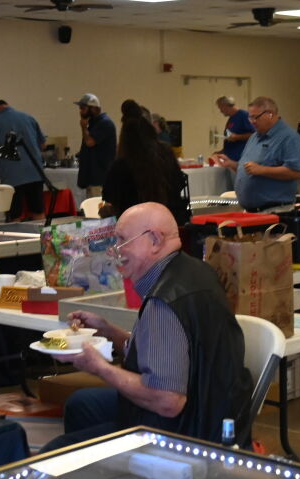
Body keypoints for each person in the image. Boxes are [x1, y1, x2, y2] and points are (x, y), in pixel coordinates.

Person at [49, 203, 249, 448]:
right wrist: (109, 332)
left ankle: (102, 473)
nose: (115, 251)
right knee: (82, 404)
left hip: (184, 436)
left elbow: (167, 401)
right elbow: (170, 353)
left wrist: (100, 368)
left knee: (56, 450)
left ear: (154, 239)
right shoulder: (196, 272)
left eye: (122, 241)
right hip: (212, 412)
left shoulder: (164, 302)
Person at [101, 101, 190, 224]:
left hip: (135, 228)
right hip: (169, 221)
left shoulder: (121, 165)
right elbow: (179, 183)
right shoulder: (166, 153)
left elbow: (109, 195)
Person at [217, 96, 300, 211]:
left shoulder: (289, 138)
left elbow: (295, 172)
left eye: (255, 117)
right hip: (251, 211)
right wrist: (231, 164)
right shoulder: (254, 137)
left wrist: (261, 170)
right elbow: (249, 168)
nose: (252, 122)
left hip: (274, 211)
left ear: (270, 114)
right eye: (250, 118)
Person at [0, 99, 47, 221]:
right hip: (35, 174)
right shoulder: (29, 118)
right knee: (38, 212)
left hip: (12, 178)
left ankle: (16, 238)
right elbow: (42, 145)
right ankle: (43, 239)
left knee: (14, 216)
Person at [74, 92, 117, 195]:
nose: (80, 111)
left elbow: (90, 142)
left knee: (96, 209)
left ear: (93, 109)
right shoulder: (94, 123)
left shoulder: (104, 123)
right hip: (92, 178)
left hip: (100, 178)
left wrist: (83, 127)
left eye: (83, 108)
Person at [215, 96, 254, 162]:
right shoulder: (231, 119)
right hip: (230, 159)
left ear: (225, 106)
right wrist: (221, 152)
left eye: (220, 108)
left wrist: (237, 137)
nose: (220, 111)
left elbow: (254, 135)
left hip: (240, 159)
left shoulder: (244, 115)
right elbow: (230, 140)